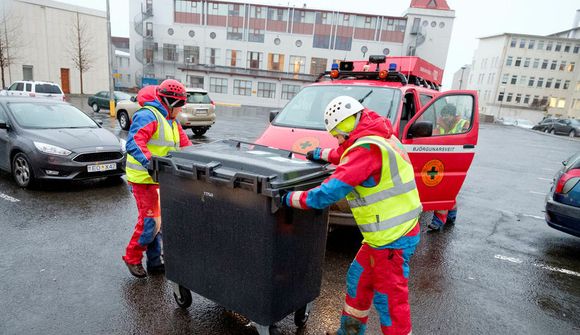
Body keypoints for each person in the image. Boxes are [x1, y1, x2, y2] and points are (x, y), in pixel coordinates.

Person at [282, 96, 422, 335]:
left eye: (336, 135)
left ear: (345, 128)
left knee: (389, 302)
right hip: (383, 237)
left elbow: (327, 193)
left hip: (392, 241)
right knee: (358, 281)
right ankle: (349, 333)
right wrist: (320, 153)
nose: (337, 140)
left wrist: (288, 198)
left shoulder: (367, 150)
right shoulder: (379, 136)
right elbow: (347, 153)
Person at [122, 80, 192, 278]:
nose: (180, 110)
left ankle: (154, 262)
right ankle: (132, 257)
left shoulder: (171, 121)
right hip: (144, 178)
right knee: (150, 221)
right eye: (178, 106)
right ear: (169, 103)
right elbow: (135, 142)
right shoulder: (148, 116)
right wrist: (151, 163)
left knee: (158, 222)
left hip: (162, 179)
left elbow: (186, 146)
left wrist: (201, 159)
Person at [428, 104, 468, 231]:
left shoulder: (464, 124)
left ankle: (438, 221)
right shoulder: (439, 125)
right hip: (440, 161)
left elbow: (467, 139)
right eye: (443, 115)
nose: (445, 118)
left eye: (448, 115)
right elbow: (432, 139)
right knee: (448, 192)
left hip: (457, 160)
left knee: (444, 193)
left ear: (453, 115)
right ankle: (451, 215)